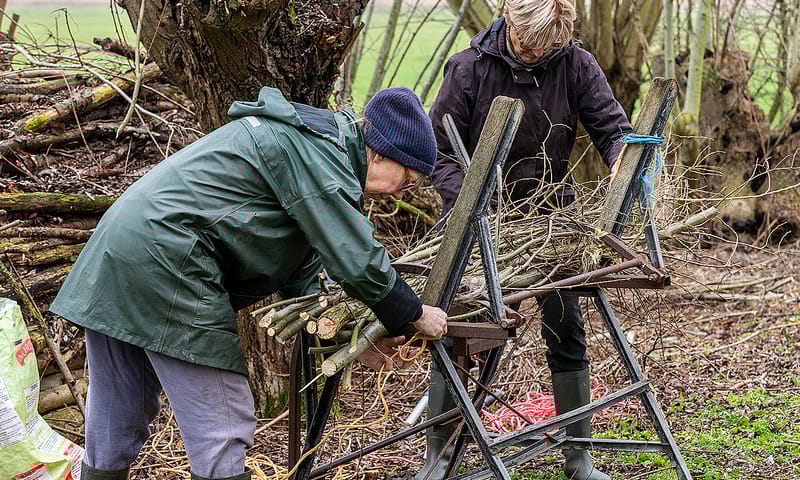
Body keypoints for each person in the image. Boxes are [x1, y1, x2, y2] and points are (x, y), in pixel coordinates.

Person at [50, 86, 449, 480]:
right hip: (169, 262)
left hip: (116, 255)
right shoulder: (321, 157)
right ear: (380, 153)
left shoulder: (312, 148)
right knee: (222, 424)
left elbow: (304, 272)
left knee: (116, 416)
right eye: (407, 179)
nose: (401, 193)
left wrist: (347, 338)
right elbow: (359, 262)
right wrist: (413, 314)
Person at [420, 0, 634, 479]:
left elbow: (613, 128)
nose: (538, 51)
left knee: (567, 330)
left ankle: (579, 457)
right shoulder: (468, 69)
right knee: (458, 333)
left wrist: (625, 158)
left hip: (554, 221)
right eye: (530, 41)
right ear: (508, 19)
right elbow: (436, 154)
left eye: (548, 43)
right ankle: (439, 459)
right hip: (479, 225)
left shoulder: (576, 63)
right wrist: (472, 204)